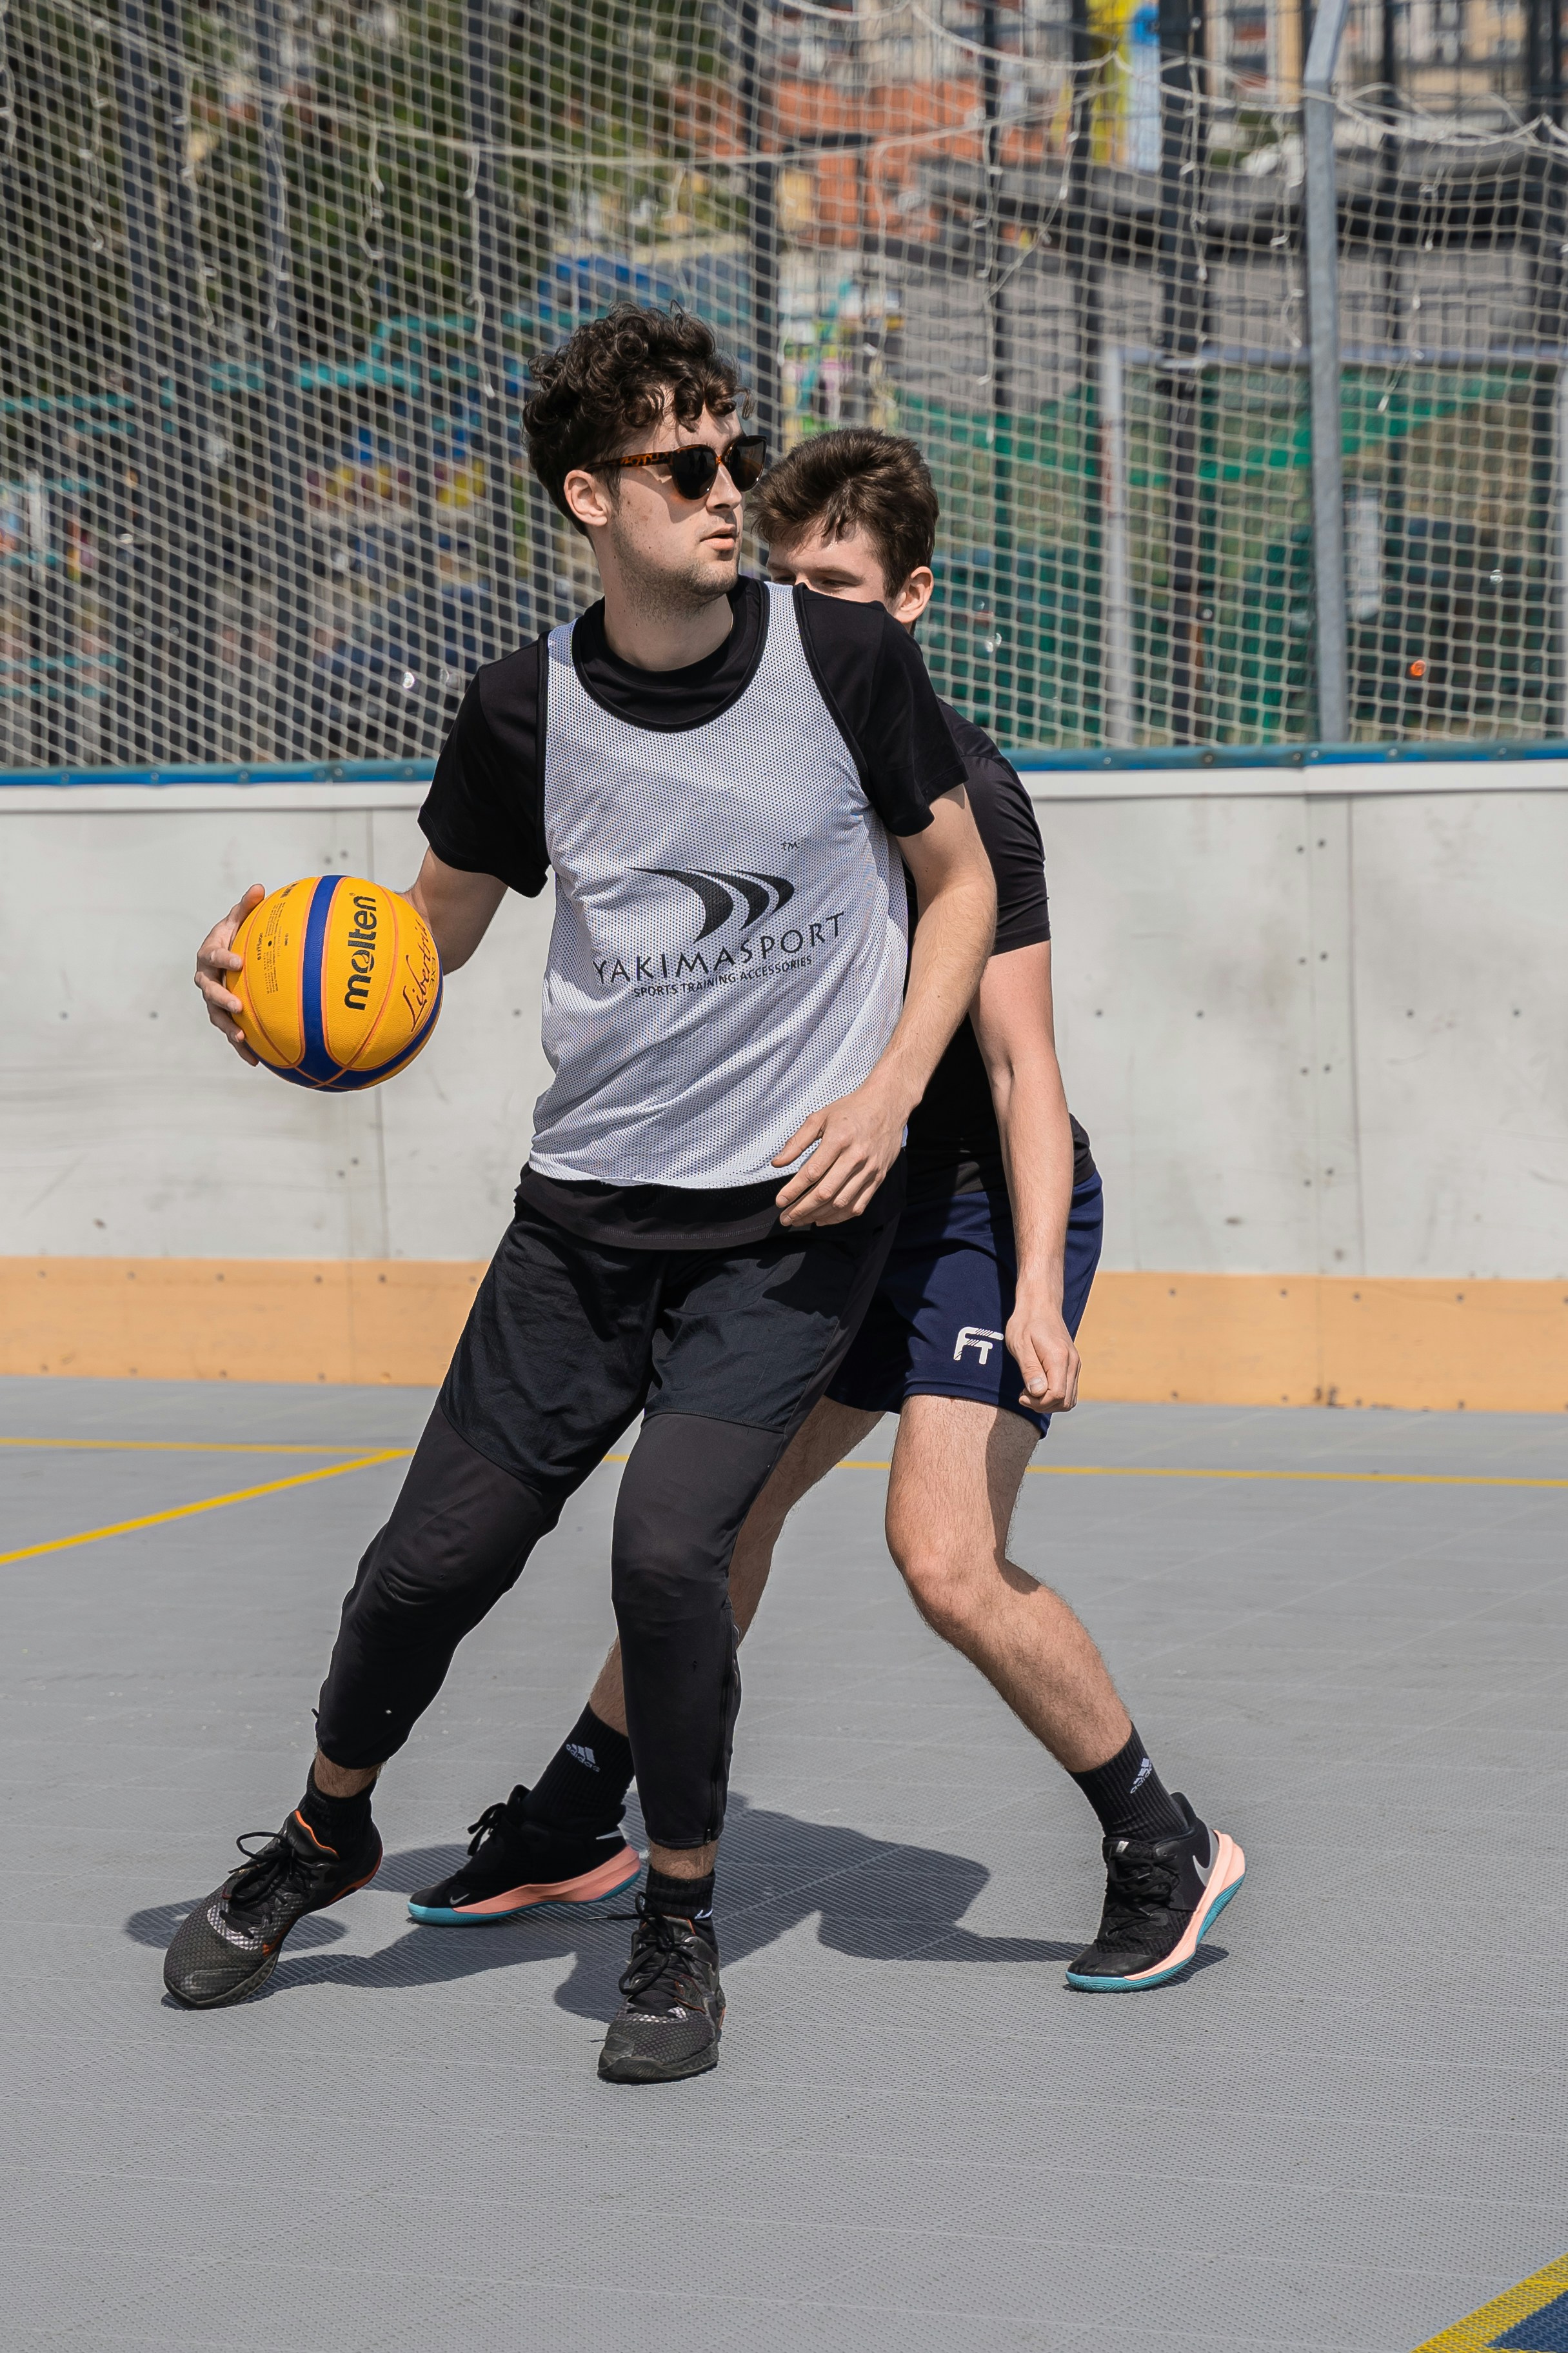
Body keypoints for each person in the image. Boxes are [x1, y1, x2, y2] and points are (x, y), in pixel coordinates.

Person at [168, 315, 997, 2084]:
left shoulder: (843, 660)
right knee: (419, 1577)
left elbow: (961, 880)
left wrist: (892, 1087)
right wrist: (290, 977)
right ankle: (327, 1832)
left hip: (782, 1228)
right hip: (583, 1229)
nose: (728, 492)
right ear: (589, 499)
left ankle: (675, 1922)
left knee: (669, 1556)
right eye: (687, 468)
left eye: (734, 458)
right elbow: (438, 929)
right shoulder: (521, 707)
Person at [408, 428, 1245, 1993]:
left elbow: (1021, 1069)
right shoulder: (751, 750)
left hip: (973, 1212)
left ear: (907, 601)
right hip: (815, 1212)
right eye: (780, 576)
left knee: (938, 1552)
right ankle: (589, 1807)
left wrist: (1045, 1301)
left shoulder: (967, 797)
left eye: (835, 583)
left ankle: (1161, 1838)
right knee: (710, 1518)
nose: (796, 603)